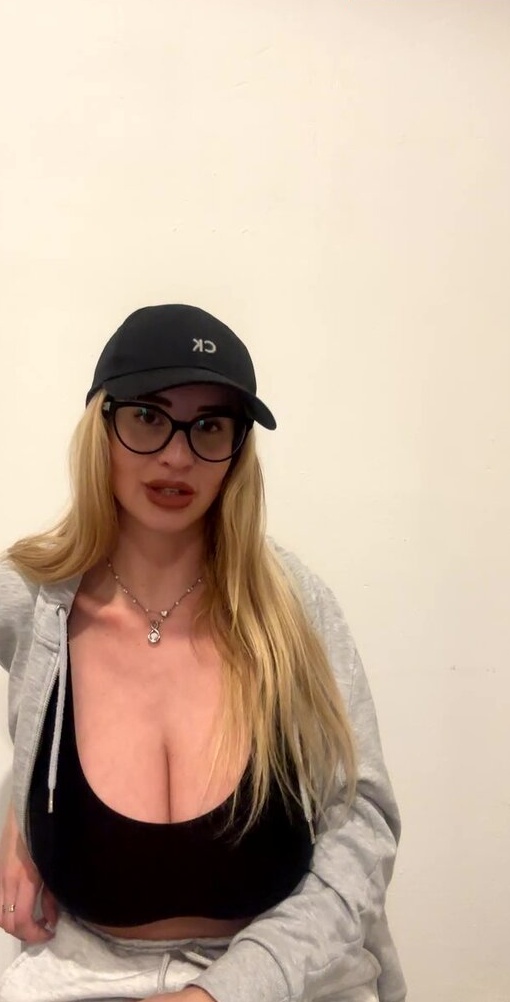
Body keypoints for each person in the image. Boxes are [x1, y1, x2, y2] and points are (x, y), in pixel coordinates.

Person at [0, 304, 406, 1002]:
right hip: (84, 976)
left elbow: (362, 829)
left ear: (238, 450)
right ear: (101, 426)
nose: (178, 456)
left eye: (211, 426)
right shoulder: (32, 601)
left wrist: (226, 992)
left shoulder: (294, 611)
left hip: (287, 981)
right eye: (148, 417)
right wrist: (16, 813)